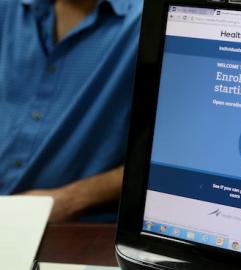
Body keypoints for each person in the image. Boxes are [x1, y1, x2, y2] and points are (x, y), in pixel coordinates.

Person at [0, 0, 143, 222]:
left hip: (70, 228)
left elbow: (169, 162)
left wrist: (70, 200)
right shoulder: (9, 8)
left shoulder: (148, 23)